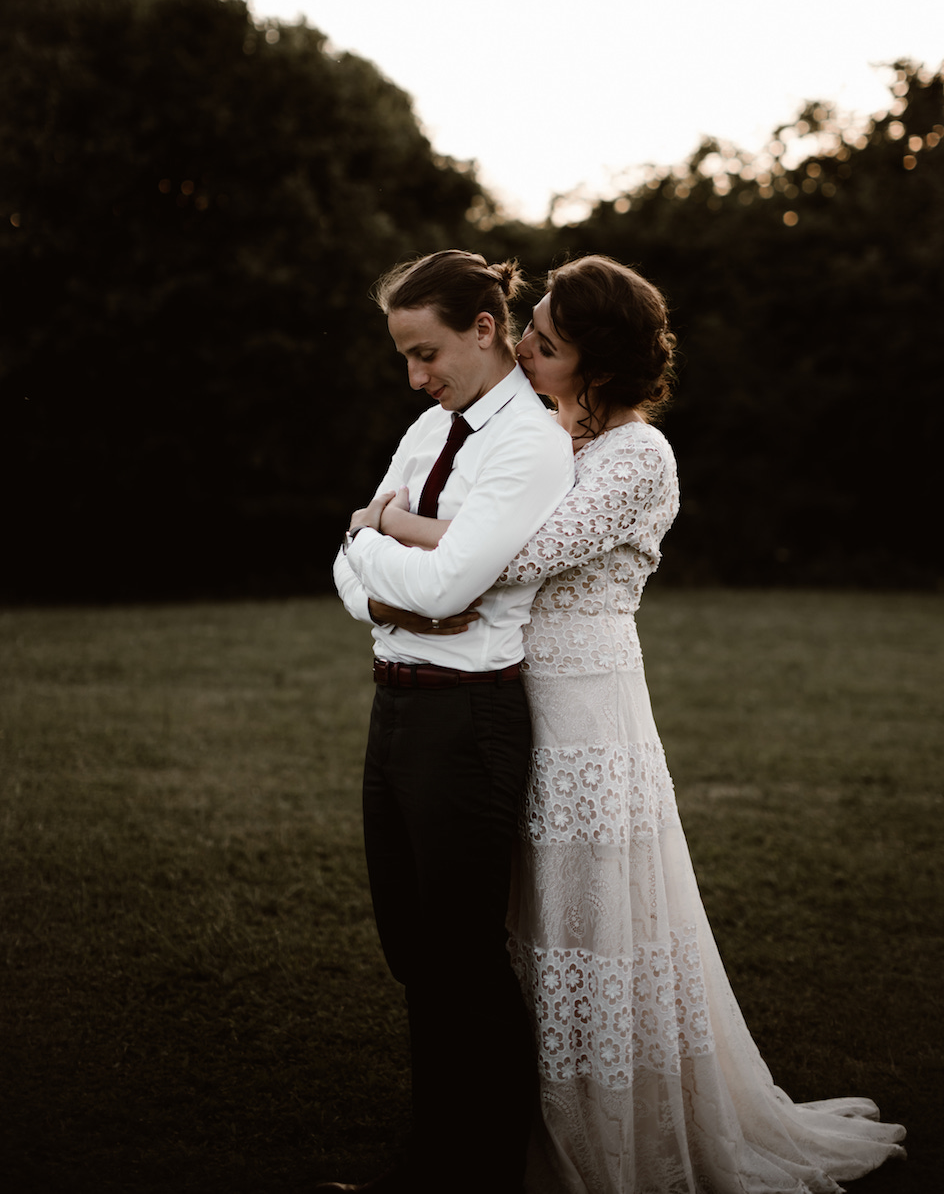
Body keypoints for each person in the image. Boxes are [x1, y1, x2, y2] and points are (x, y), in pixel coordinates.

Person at [375, 255, 906, 1194]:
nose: (525, 352)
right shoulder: (541, 439)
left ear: (597, 361)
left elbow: (508, 557)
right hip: (502, 698)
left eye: (543, 342)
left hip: (586, 717)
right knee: (511, 924)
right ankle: (511, 1118)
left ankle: (614, 1127)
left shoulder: (636, 457)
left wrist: (383, 521)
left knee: (593, 923)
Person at [331, 249, 575, 1194]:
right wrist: (384, 572)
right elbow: (357, 564)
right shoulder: (427, 428)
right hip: (394, 707)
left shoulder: (529, 442)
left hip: (468, 721)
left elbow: (453, 583)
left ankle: (477, 1173)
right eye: (403, 356)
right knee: (413, 950)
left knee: (463, 960)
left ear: (484, 328)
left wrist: (374, 538)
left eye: (426, 353)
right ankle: (430, 1165)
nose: (415, 377)